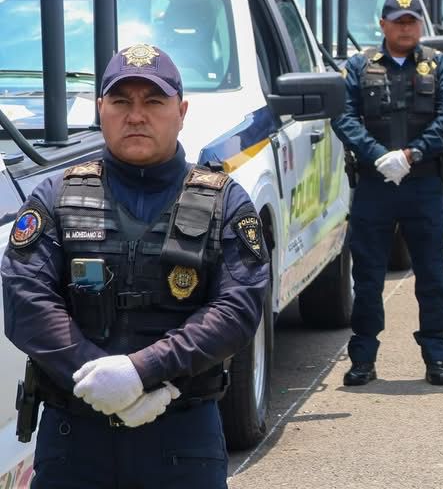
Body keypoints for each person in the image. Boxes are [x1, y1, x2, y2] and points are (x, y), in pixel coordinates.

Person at [1, 44, 268, 487]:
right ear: (100, 109)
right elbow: (26, 303)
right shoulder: (57, 197)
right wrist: (98, 378)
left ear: (181, 112)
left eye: (154, 101)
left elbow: (237, 309)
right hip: (74, 438)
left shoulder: (225, 202)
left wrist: (141, 371)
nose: (136, 116)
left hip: (182, 436)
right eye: (121, 102)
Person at [332, 0, 443, 387]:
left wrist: (412, 154)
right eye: (398, 21)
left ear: (420, 25)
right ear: (383, 25)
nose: (406, 28)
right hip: (375, 186)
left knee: (432, 276)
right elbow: (343, 116)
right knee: (368, 278)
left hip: (423, 185)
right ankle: (363, 359)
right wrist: (377, 156)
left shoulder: (439, 64)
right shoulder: (359, 66)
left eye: (412, 21)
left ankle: (436, 357)